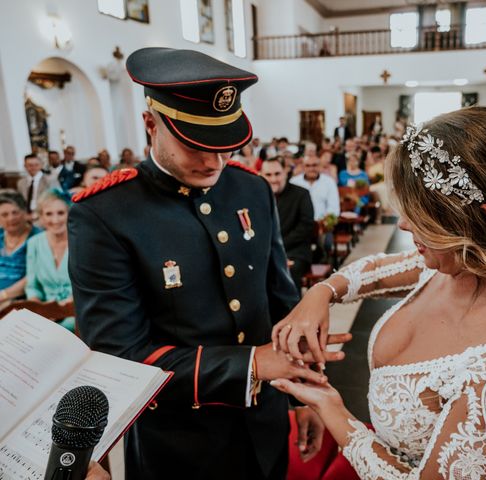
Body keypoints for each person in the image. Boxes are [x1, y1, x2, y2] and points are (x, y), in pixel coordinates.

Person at [68, 47, 349, 480]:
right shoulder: (104, 213)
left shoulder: (252, 190)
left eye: (226, 144)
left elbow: (280, 301)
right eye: (195, 144)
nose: (214, 161)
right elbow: (120, 355)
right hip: (181, 441)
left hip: (265, 419)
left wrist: (301, 396)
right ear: (151, 124)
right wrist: (251, 364)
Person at [271, 107, 486, 479]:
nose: (402, 223)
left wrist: (334, 412)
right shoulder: (457, 264)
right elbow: (370, 272)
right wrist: (320, 294)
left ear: (480, 221)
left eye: (418, 216)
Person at [261, 156, 315, 292]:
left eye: (277, 174)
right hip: (265, 251)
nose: (273, 179)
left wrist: (278, 251)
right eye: (268, 175)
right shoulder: (257, 196)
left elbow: (305, 227)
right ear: (261, 175)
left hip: (295, 252)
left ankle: (294, 312)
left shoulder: (301, 194)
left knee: (288, 272)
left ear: (285, 172)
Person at [26, 189, 74, 331]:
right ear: (41, 217)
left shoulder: (81, 242)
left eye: (61, 213)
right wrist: (38, 310)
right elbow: (32, 287)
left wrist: (60, 312)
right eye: (48, 214)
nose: (55, 220)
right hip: (44, 313)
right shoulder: (34, 243)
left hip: (76, 312)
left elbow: (90, 286)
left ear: (69, 213)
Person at [0, 192, 40, 305]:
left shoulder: (38, 238)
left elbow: (34, 276)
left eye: (15, 212)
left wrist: (4, 295)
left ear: (25, 213)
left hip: (19, 298)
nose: (11, 218)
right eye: (4, 214)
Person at [290, 155, 340, 221]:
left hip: (322, 224)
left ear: (320, 166)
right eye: (308, 166)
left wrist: (324, 223)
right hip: (299, 224)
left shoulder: (329, 182)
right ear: (303, 167)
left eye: (314, 165)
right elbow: (290, 206)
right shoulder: (294, 182)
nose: (311, 169)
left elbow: (334, 208)